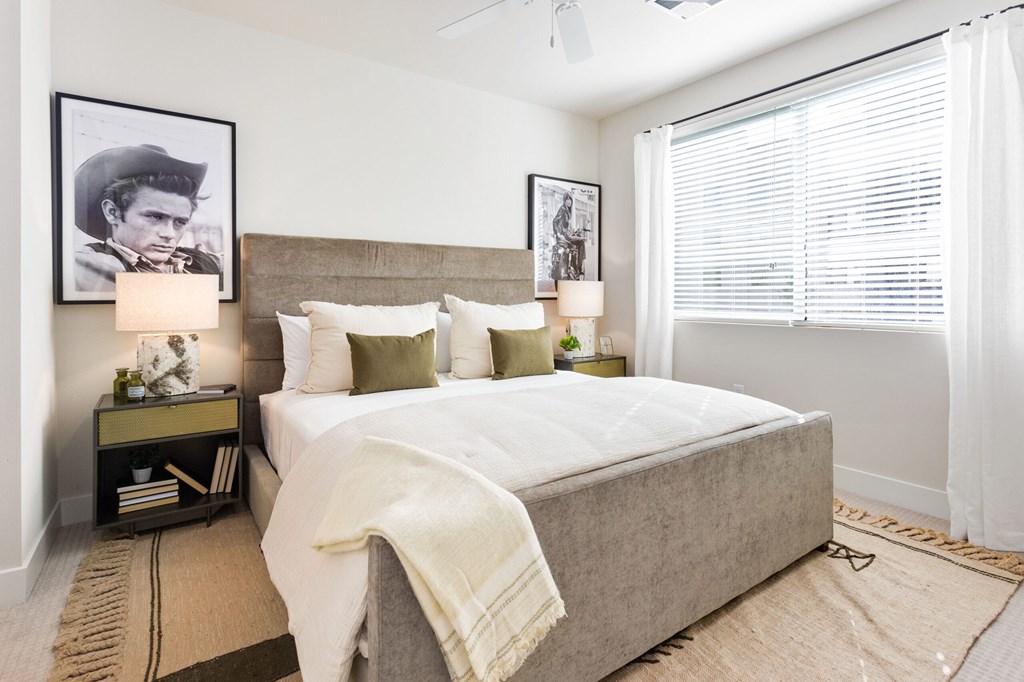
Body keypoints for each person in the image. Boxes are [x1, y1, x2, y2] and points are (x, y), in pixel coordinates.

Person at [73, 144, 222, 292]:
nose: (169, 234)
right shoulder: (93, 266)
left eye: (180, 222)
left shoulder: (197, 260)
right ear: (113, 212)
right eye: (155, 217)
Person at [549, 191, 587, 281]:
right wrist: (558, 234)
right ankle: (579, 268)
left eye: (570, 199)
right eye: (567, 199)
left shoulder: (566, 210)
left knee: (574, 248)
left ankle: (574, 267)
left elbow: (563, 225)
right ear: (564, 201)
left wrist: (569, 231)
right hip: (564, 237)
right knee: (581, 241)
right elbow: (555, 221)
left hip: (565, 235)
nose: (569, 201)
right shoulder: (563, 209)